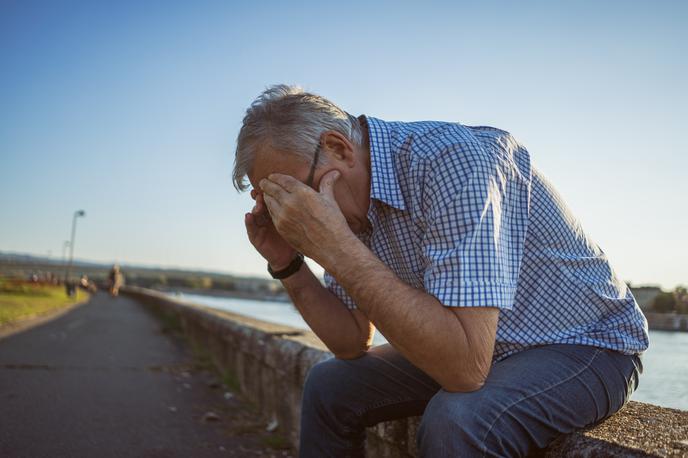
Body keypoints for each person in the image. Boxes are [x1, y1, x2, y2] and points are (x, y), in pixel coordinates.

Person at [233, 85, 648, 457]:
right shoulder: (343, 201)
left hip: (587, 346)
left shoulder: (452, 161)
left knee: (459, 420)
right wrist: (287, 263)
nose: (292, 213)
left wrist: (336, 247)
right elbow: (350, 341)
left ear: (339, 149)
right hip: (477, 345)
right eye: (274, 201)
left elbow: (464, 370)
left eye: (292, 194)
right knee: (328, 385)